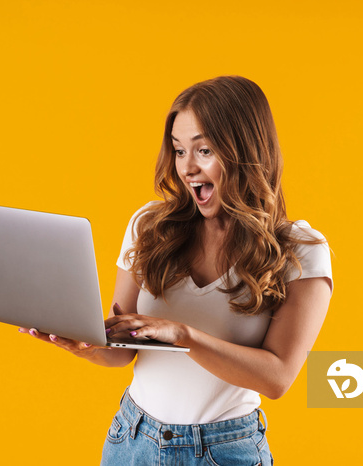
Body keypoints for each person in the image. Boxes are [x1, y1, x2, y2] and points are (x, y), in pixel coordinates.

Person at [20, 76, 332, 465]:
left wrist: (184, 336)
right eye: (179, 150)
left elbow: (277, 378)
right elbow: (122, 352)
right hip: (132, 441)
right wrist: (85, 346)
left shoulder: (300, 250)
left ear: (247, 152)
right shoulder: (150, 227)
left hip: (224, 450)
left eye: (203, 150)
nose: (187, 168)